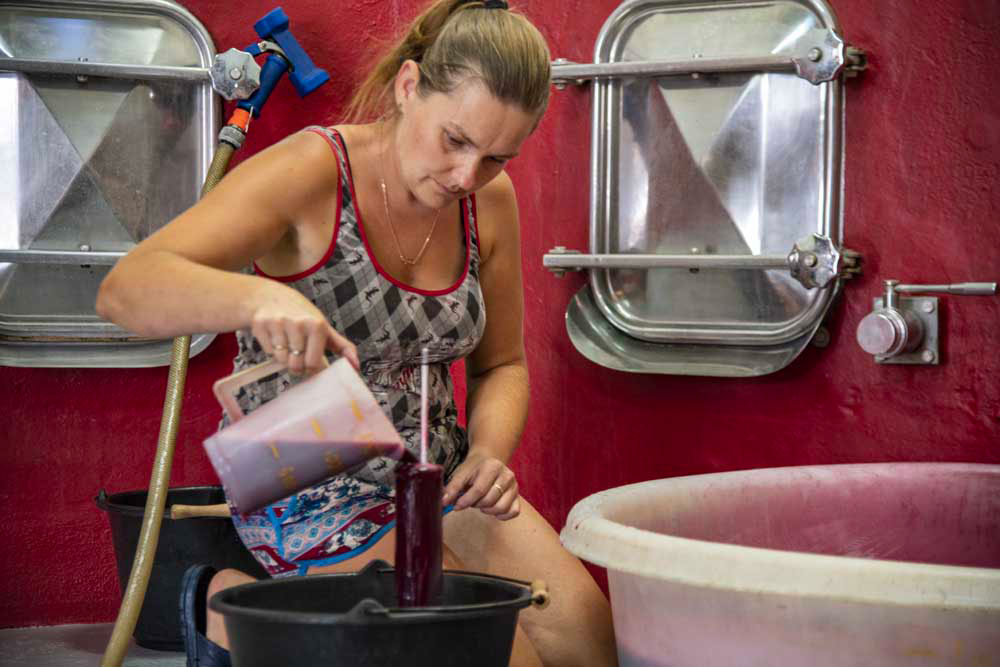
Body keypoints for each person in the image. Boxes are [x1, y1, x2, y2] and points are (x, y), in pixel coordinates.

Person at [97, 1, 617, 665]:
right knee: (496, 653)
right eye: (455, 141)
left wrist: (489, 453)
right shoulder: (314, 170)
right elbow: (125, 289)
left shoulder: (489, 198)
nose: (467, 176)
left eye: (495, 157)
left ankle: (276, 623)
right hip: (305, 475)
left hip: (434, 476)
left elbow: (502, 365)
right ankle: (224, 606)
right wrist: (254, 297)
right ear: (408, 88)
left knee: (589, 643)